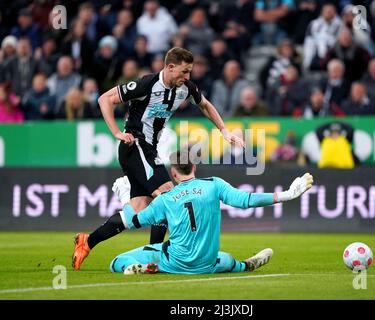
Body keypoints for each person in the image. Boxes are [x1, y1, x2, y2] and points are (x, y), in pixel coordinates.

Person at [72, 47, 245, 271]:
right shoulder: (146, 85)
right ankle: (154, 255)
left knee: (139, 211)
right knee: (169, 197)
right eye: (184, 72)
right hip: (135, 146)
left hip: (149, 150)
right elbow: (105, 99)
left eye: (190, 72)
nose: (187, 77)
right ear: (170, 67)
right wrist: (116, 132)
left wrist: (224, 130)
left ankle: (88, 241)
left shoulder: (185, 88)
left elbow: (205, 104)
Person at [108, 151, 314, 274]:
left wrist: (125, 197)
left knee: (116, 262)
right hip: (207, 262)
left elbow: (134, 221)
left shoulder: (166, 198)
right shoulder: (214, 185)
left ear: (173, 173)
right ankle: (245, 266)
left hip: (175, 262)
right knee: (227, 260)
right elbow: (246, 201)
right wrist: (286, 195)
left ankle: (147, 267)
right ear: (194, 167)